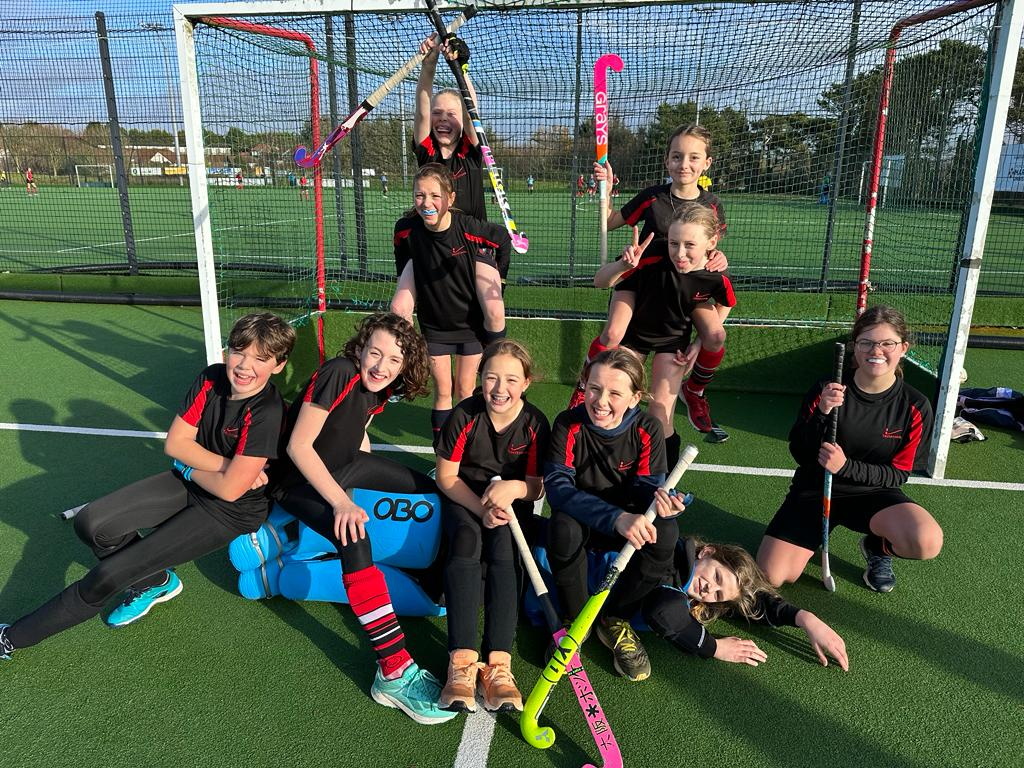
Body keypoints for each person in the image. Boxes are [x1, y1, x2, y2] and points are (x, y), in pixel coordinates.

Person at [0, 313, 296, 660]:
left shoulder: (266, 411)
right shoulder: (211, 378)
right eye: (238, 352)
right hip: (196, 483)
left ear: (278, 365)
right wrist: (222, 466)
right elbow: (176, 443)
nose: (244, 366)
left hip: (230, 511)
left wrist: (190, 466)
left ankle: (9, 639)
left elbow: (230, 490)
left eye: (260, 359)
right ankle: (155, 582)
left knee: (108, 575)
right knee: (92, 524)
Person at [272, 312, 457, 726]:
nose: (381, 366)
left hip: (346, 466)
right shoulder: (339, 371)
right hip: (298, 482)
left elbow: (356, 430)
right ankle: (392, 672)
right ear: (360, 349)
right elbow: (299, 447)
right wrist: (342, 503)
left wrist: (372, 486)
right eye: (375, 353)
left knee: (430, 489)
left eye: (394, 360)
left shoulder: (381, 388)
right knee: (356, 539)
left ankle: (430, 581)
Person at [757, 305, 943, 593]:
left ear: (903, 348)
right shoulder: (827, 389)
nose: (876, 351)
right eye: (866, 342)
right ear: (855, 346)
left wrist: (846, 467)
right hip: (816, 488)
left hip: (872, 494)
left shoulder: (915, 406)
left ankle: (876, 546)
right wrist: (822, 412)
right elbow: (800, 453)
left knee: (926, 541)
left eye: (887, 343)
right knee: (772, 576)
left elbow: (898, 474)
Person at [573, 124, 730, 439]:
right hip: (640, 278)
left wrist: (719, 257)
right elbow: (610, 221)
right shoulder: (653, 196)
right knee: (613, 334)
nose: (684, 164)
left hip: (683, 290)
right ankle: (584, 384)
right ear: (666, 160)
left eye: (693, 157)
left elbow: (711, 247)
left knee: (714, 335)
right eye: (677, 156)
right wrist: (606, 188)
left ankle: (694, 391)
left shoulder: (712, 205)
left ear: (707, 163)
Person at [544, 348, 687, 682]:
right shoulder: (568, 423)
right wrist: (615, 518)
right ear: (584, 384)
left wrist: (666, 502)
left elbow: (647, 488)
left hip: (627, 523)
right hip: (584, 520)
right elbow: (559, 490)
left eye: (615, 393)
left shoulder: (647, 427)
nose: (601, 401)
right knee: (562, 528)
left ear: (635, 397)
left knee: (666, 531)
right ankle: (576, 620)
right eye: (594, 388)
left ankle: (615, 619)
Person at [434, 340, 550, 714]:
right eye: (491, 378)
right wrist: (481, 508)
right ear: (480, 378)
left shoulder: (535, 424)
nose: (500, 389)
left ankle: (498, 664)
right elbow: (446, 477)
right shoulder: (464, 416)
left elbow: (535, 487)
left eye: (511, 380)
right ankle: (462, 662)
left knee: (505, 551)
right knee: (466, 542)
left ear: (526, 383)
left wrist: (512, 489)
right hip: (464, 495)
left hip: (510, 504)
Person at [591, 204, 735, 461]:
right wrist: (623, 265)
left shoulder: (715, 273)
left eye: (690, 245)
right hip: (634, 336)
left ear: (711, 242)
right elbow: (600, 281)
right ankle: (606, 459)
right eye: (673, 243)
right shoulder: (652, 253)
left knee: (660, 411)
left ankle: (662, 475)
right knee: (618, 400)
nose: (680, 253)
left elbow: (726, 303)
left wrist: (697, 345)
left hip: (672, 341)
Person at [391, 163, 508, 446]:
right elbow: (402, 255)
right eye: (420, 195)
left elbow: (503, 240)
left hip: (470, 325)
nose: (426, 203)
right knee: (443, 391)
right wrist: (408, 279)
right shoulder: (406, 230)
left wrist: (500, 279)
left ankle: (467, 450)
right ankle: (443, 452)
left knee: (465, 390)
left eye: (435, 196)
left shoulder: (469, 228)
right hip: (435, 325)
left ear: (450, 198)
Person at [643, 537, 849, 671]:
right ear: (706, 552)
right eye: (717, 576)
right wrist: (714, 648)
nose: (709, 589)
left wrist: (804, 618)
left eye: (718, 595)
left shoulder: (698, 594)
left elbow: (755, 605)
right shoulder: (670, 556)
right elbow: (663, 610)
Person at [414, 33, 485, 221]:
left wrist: (461, 69)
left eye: (451, 114)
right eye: (437, 113)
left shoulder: (470, 150)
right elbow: (422, 113)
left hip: (472, 238)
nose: (443, 119)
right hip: (433, 238)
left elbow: (471, 114)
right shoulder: (427, 150)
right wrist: (429, 64)